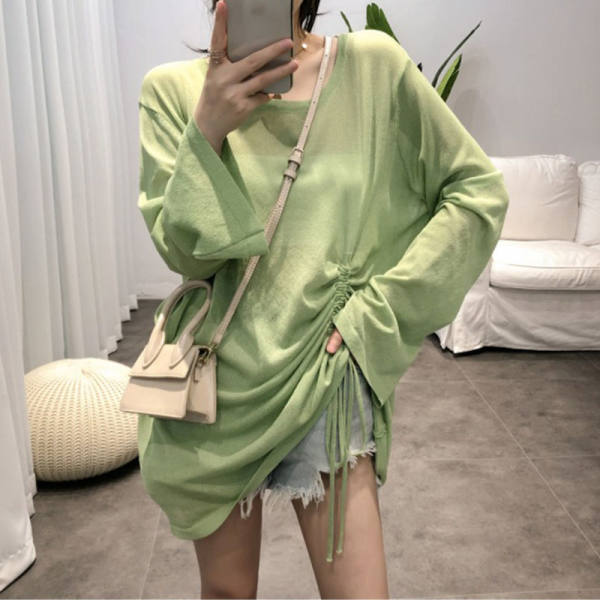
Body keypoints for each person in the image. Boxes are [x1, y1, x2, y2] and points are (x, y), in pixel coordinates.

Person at [135, 0, 509, 597]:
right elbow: (189, 256)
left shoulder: (371, 68)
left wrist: (380, 312)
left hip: (326, 374)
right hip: (217, 383)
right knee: (228, 592)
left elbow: (477, 193)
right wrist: (207, 129)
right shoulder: (173, 92)